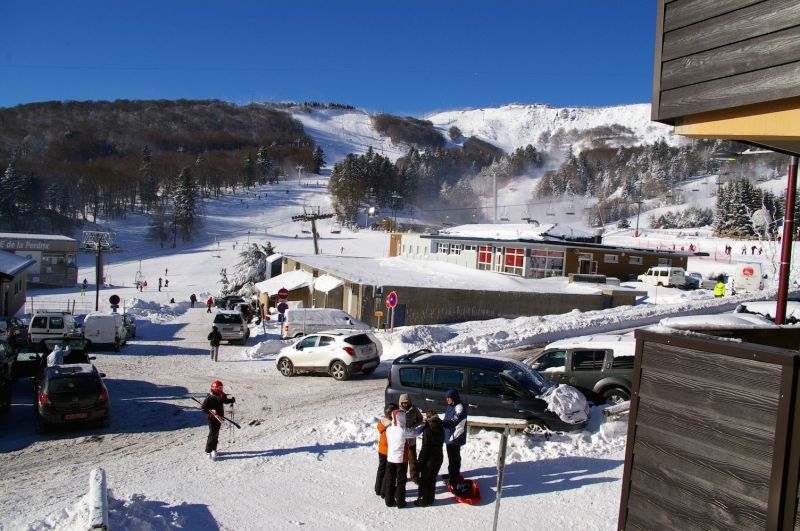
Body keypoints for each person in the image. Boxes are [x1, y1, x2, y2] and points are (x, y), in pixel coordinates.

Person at [383, 408, 424, 508]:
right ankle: (400, 502)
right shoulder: (402, 430)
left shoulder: (389, 429)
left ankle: (389, 500)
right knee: (401, 481)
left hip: (390, 459)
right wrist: (422, 427)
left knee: (390, 480)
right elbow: (415, 433)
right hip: (401, 460)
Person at [415, 410, 445, 507]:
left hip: (429, 458)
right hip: (439, 457)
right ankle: (430, 499)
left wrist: (420, 461)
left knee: (424, 480)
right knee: (432, 479)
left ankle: (422, 500)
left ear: (428, 418)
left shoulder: (427, 430)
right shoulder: (441, 428)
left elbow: (425, 448)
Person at [201, 380, 235, 460]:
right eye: (219, 387)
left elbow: (225, 401)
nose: (221, 389)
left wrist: (232, 400)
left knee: (216, 434)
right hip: (212, 418)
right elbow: (203, 408)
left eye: (221, 387)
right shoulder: (210, 397)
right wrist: (211, 411)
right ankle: (208, 451)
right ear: (214, 387)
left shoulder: (221, 395)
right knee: (212, 434)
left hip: (220, 417)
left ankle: (214, 449)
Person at [442, 389, 467, 488]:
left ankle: (453, 478)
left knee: (454, 458)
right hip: (450, 435)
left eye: (449, 398)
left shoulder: (459, 407)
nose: (447, 400)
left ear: (454, 398)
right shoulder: (451, 405)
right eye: (446, 398)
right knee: (452, 457)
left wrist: (441, 423)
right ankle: (452, 474)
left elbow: (454, 421)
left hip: (455, 436)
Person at [399, 394, 423, 483]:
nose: (405, 404)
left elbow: (420, 419)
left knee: (413, 460)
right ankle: (402, 477)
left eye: (407, 402)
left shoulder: (414, 409)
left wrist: (414, 426)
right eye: (403, 403)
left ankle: (414, 477)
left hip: (411, 440)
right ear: (400, 403)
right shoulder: (397, 412)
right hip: (401, 441)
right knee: (402, 461)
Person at [375, 403, 395, 497]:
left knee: (381, 469)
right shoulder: (391, 424)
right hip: (388, 450)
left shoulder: (382, 422)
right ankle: (384, 491)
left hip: (381, 450)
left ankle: (378, 489)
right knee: (388, 471)